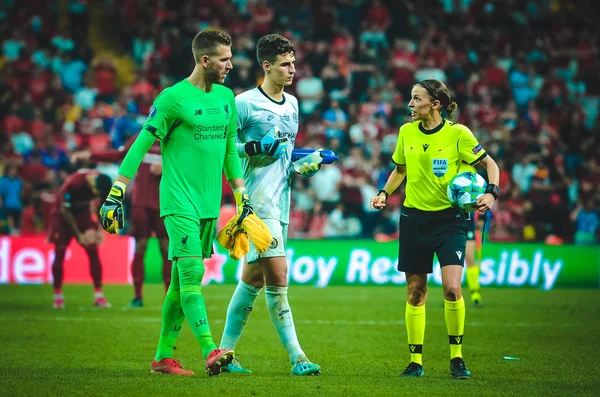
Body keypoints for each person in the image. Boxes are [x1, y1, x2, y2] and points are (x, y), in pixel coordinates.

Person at [99, 29, 257, 376]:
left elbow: (230, 150)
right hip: (178, 201)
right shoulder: (173, 98)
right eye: (224, 59)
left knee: (179, 285)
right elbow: (140, 144)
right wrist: (117, 190)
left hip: (208, 206)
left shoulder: (227, 98)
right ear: (205, 60)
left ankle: (162, 357)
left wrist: (241, 196)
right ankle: (211, 350)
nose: (231, 65)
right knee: (192, 274)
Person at [371, 79, 500, 379]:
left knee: (452, 289)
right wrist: (384, 194)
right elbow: (400, 169)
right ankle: (415, 361)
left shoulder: (459, 134)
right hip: (414, 219)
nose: (410, 105)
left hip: (450, 221)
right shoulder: (406, 132)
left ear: (435, 104)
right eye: (411, 98)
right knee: (416, 291)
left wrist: (491, 193)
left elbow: (490, 164)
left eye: (416, 99)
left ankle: (457, 357)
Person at [218, 34, 321, 376]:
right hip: (256, 203)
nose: (292, 70)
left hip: (282, 201)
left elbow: (284, 154)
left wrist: (305, 161)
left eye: (293, 63)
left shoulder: (293, 104)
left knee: (253, 280)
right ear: (266, 66)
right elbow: (224, 150)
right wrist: (255, 147)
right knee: (278, 275)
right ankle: (298, 357)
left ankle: (224, 354)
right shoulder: (243, 103)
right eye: (285, 64)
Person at [71, 137, 170, 308]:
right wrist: (91, 155)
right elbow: (119, 154)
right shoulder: (143, 137)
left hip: (166, 204)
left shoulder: (174, 137)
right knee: (140, 247)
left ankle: (169, 299)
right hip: (141, 203)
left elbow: (189, 163)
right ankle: (137, 297)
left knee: (167, 249)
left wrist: (168, 167)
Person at [48, 169, 112, 309]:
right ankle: (58, 296)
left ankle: (99, 296)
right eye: (95, 192)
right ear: (92, 183)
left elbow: (102, 206)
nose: (96, 195)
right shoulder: (74, 183)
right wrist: (78, 235)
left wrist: (100, 230)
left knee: (93, 249)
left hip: (82, 213)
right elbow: (65, 210)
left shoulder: (102, 182)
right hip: (62, 215)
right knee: (60, 253)